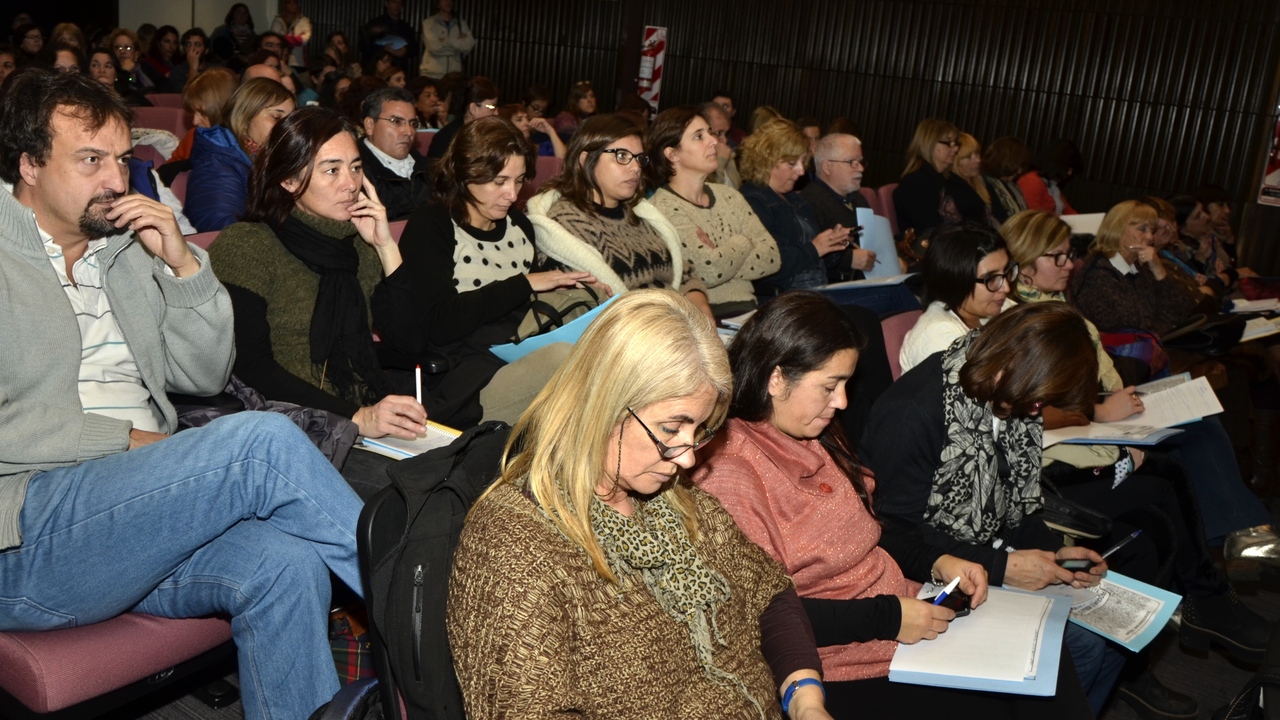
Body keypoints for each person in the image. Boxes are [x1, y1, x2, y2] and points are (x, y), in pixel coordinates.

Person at [0, 67, 364, 720]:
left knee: (287, 564)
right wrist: (126, 441)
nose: (116, 180)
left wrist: (184, 264)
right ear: (29, 164)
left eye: (121, 159)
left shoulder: (123, 248)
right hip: (25, 537)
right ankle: (426, 608)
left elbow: (203, 375)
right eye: (90, 160)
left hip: (132, 515)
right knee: (261, 442)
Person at [694, 292, 1094, 718]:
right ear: (776, 378)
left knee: (1051, 666)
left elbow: (872, 530)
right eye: (830, 386)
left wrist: (937, 561)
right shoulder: (733, 473)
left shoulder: (810, 431)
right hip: (845, 657)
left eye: (845, 385)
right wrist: (888, 617)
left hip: (900, 616)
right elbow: (766, 610)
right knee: (1036, 683)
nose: (843, 402)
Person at [865, 301, 1272, 715]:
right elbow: (893, 537)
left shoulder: (1006, 391)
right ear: (1020, 368)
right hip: (933, 576)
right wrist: (1005, 567)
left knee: (1119, 622)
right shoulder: (915, 413)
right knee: (1084, 645)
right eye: (1039, 400)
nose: (1038, 411)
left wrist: (1056, 553)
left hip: (982, 552)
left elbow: (1017, 507)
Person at [448, 289, 833, 719]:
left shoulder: (674, 500)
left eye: (698, 431)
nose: (687, 459)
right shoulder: (514, 544)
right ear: (605, 405)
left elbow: (768, 593)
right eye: (670, 429)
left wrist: (804, 699)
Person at [1004, 209, 1280, 571]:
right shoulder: (1025, 316)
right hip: (1073, 426)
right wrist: (1100, 411)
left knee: (1203, 418)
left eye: (1069, 254)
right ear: (1025, 264)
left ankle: (1236, 533)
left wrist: (1158, 271)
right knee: (1195, 436)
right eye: (1057, 257)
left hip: (1097, 405)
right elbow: (1030, 404)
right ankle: (1236, 536)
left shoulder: (1053, 302)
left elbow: (1170, 314)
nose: (1069, 264)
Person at [207, 107, 432, 480]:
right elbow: (250, 367)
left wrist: (386, 246)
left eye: (356, 168)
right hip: (290, 428)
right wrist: (356, 417)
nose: (351, 184)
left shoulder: (359, 244)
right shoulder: (247, 245)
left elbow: (411, 341)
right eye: (332, 170)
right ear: (289, 179)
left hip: (363, 419)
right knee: (418, 489)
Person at [396, 116, 593, 424]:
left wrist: (570, 292)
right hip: (463, 378)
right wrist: (524, 284)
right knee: (566, 362)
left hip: (516, 354)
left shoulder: (519, 225)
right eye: (499, 182)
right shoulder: (432, 226)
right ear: (465, 174)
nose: (512, 195)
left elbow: (528, 309)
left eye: (519, 180)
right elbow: (439, 323)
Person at [526, 114, 716, 320]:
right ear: (585, 160)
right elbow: (586, 308)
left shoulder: (642, 214)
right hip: (628, 331)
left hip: (673, 322)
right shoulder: (564, 226)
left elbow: (685, 272)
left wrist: (699, 305)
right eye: (622, 156)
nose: (636, 168)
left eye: (639, 158)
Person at [646, 106, 780, 316]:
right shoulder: (660, 208)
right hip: (702, 315)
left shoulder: (729, 196)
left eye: (710, 132)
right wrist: (744, 241)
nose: (714, 141)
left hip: (749, 310)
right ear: (672, 154)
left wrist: (721, 254)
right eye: (699, 136)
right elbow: (709, 271)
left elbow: (772, 257)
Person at [737, 119, 852, 296]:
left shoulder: (796, 201)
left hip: (815, 293)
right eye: (792, 163)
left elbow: (821, 263)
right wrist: (814, 248)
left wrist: (833, 244)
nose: (801, 171)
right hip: (784, 299)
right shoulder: (752, 201)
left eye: (803, 161)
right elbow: (768, 265)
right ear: (767, 160)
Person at [1069, 199, 1200, 337]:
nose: (1150, 237)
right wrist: (1168, 324)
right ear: (1118, 230)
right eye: (1142, 229)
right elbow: (1133, 328)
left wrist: (1159, 271)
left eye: (1152, 231)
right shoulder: (1097, 275)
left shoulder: (1140, 266)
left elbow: (1182, 311)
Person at [898, 222, 1014, 372]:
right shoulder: (938, 337)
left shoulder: (999, 306)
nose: (1006, 288)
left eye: (1006, 271)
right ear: (956, 279)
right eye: (990, 278)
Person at [186, 77, 295, 233]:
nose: (289, 126)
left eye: (291, 119)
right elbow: (224, 232)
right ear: (246, 118)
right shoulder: (215, 165)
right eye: (276, 117)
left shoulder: (271, 158)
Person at [800, 132, 878, 275]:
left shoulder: (858, 199)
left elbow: (874, 241)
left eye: (860, 161)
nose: (861, 168)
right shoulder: (808, 203)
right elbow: (806, 257)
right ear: (827, 167)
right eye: (851, 162)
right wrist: (848, 260)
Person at [892, 118, 986, 236]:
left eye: (955, 143)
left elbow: (977, 207)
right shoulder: (915, 182)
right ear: (930, 144)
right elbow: (930, 229)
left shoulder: (948, 178)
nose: (956, 148)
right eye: (949, 143)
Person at [359, 86, 432, 220]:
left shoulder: (430, 169)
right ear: (370, 125)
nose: (409, 132)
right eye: (397, 122)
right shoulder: (355, 173)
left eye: (413, 123)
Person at [424, 75, 498, 161]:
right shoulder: (446, 139)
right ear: (473, 108)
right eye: (492, 107)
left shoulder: (494, 136)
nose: (496, 113)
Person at [1018, 139, 1082, 216]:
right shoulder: (1032, 181)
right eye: (1069, 168)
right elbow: (1033, 216)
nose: (1069, 173)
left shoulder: (1050, 184)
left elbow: (1069, 212)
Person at [981, 136, 1030, 224]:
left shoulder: (1013, 186)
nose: (1019, 171)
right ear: (1005, 161)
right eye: (1017, 166)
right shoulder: (985, 184)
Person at [419, 0, 474, 79]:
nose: (448, 2)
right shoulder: (428, 23)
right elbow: (434, 48)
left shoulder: (461, 23)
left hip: (454, 75)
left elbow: (468, 46)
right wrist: (457, 45)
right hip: (432, 74)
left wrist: (446, 41)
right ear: (438, 4)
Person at [952, 133, 997, 227]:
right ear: (955, 161)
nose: (978, 160)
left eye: (977, 154)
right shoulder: (951, 188)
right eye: (968, 157)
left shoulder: (982, 182)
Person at [362, 0, 417, 73]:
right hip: (377, 70)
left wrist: (405, 50)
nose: (397, 5)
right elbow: (364, 45)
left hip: (398, 69)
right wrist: (383, 48)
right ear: (386, 3)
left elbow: (414, 48)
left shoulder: (405, 26)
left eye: (400, 3)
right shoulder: (374, 23)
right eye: (394, 2)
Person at [499, 102, 566, 158]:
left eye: (527, 119)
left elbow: (564, 160)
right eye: (519, 120)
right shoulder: (501, 151)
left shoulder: (541, 148)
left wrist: (550, 131)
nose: (527, 123)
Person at [87, 48, 151, 107]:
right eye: (95, 65)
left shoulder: (133, 99)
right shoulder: (84, 101)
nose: (102, 70)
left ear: (116, 74)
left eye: (107, 66)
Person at [701, 101, 741, 188]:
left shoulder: (727, 153)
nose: (724, 140)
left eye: (726, 134)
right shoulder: (697, 161)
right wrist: (720, 162)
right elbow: (713, 192)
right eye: (719, 133)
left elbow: (736, 190)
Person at [270, 0, 312, 75]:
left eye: (294, 2)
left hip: (298, 61)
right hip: (280, 58)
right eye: (289, 2)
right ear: (285, 5)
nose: (292, 5)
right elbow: (275, 37)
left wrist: (284, 38)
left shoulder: (304, 21)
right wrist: (293, 39)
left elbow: (304, 40)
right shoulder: (278, 20)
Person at [139, 24, 178, 91]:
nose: (171, 46)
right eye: (167, 42)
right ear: (158, 43)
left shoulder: (179, 64)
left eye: (175, 42)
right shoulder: (149, 64)